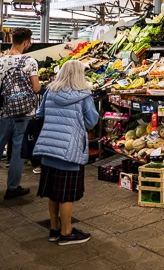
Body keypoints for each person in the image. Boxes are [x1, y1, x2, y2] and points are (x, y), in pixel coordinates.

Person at [33, 60, 99, 246]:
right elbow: (92, 121)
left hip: (49, 147)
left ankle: (54, 229)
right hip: (70, 150)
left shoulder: (50, 92)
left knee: (54, 192)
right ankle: (66, 232)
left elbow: (40, 113)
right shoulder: (84, 96)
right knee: (67, 194)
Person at [0, 28, 40, 200]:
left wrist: (5, 96)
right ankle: (12, 188)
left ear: (12, 39)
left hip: (3, 114)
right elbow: (36, 88)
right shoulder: (30, 61)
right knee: (18, 152)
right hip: (24, 114)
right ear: (26, 42)